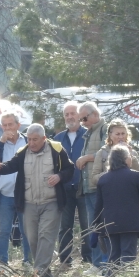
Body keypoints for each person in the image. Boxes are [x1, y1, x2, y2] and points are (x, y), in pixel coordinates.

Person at [0, 123, 75, 277]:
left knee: (46, 236)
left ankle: (38, 274)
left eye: (35, 139)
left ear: (44, 138)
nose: (31, 143)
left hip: (51, 202)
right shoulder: (23, 152)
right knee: (32, 238)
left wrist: (59, 176)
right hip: (29, 204)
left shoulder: (56, 150)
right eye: (29, 139)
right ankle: (45, 273)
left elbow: (70, 170)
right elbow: (9, 166)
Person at [93, 146, 139, 271]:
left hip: (109, 224)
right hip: (130, 224)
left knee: (112, 258)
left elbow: (98, 205)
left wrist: (96, 225)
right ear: (126, 159)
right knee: (128, 257)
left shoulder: (103, 179)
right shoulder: (134, 176)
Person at [0, 111, 31, 265]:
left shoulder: (27, 141)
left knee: (27, 231)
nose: (7, 128)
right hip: (5, 194)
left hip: (24, 193)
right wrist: (1, 142)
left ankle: (28, 261)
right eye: (4, 125)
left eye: (10, 124)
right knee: (4, 231)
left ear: (18, 125)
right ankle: (2, 262)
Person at [53, 101, 91, 268]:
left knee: (87, 225)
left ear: (79, 115)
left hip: (84, 187)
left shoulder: (88, 135)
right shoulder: (58, 139)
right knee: (65, 227)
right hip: (64, 189)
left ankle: (88, 260)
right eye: (66, 114)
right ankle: (65, 260)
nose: (70, 117)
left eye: (72, 113)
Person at [76, 101, 108, 274]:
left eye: (84, 118)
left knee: (101, 227)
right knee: (92, 226)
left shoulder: (105, 129)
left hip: (99, 187)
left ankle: (103, 263)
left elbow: (108, 151)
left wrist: (87, 157)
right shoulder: (89, 133)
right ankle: (97, 264)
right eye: (80, 119)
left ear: (95, 114)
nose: (82, 122)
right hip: (88, 187)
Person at [90, 118, 139, 189]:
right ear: (110, 135)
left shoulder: (132, 152)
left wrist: (131, 156)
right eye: (117, 134)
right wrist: (111, 174)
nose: (121, 137)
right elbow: (94, 179)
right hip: (110, 192)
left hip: (129, 192)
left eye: (123, 133)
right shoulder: (103, 152)